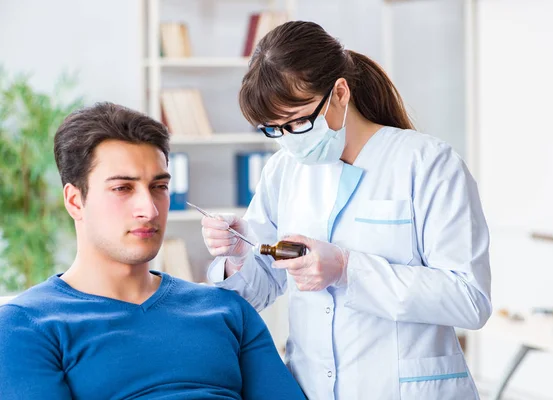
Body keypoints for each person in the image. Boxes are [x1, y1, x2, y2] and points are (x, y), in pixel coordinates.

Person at [201, 21, 492, 400]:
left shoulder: (427, 163)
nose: (289, 140)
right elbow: (259, 290)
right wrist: (238, 256)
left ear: (340, 92)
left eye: (300, 121)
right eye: (275, 129)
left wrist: (347, 269)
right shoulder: (284, 170)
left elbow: (470, 300)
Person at [0, 103, 306, 400]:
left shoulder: (226, 310)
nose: (149, 209)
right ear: (75, 201)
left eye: (159, 187)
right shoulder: (25, 326)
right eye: (123, 188)